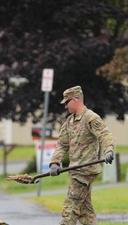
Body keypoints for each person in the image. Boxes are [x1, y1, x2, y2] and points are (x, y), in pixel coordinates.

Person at [49, 85, 114, 225]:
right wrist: (55, 163)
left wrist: (108, 150)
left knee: (70, 209)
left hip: (84, 171)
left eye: (66, 102)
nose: (65, 106)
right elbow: (62, 144)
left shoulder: (90, 117)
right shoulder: (69, 122)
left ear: (75, 100)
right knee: (85, 212)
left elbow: (104, 134)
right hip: (74, 170)